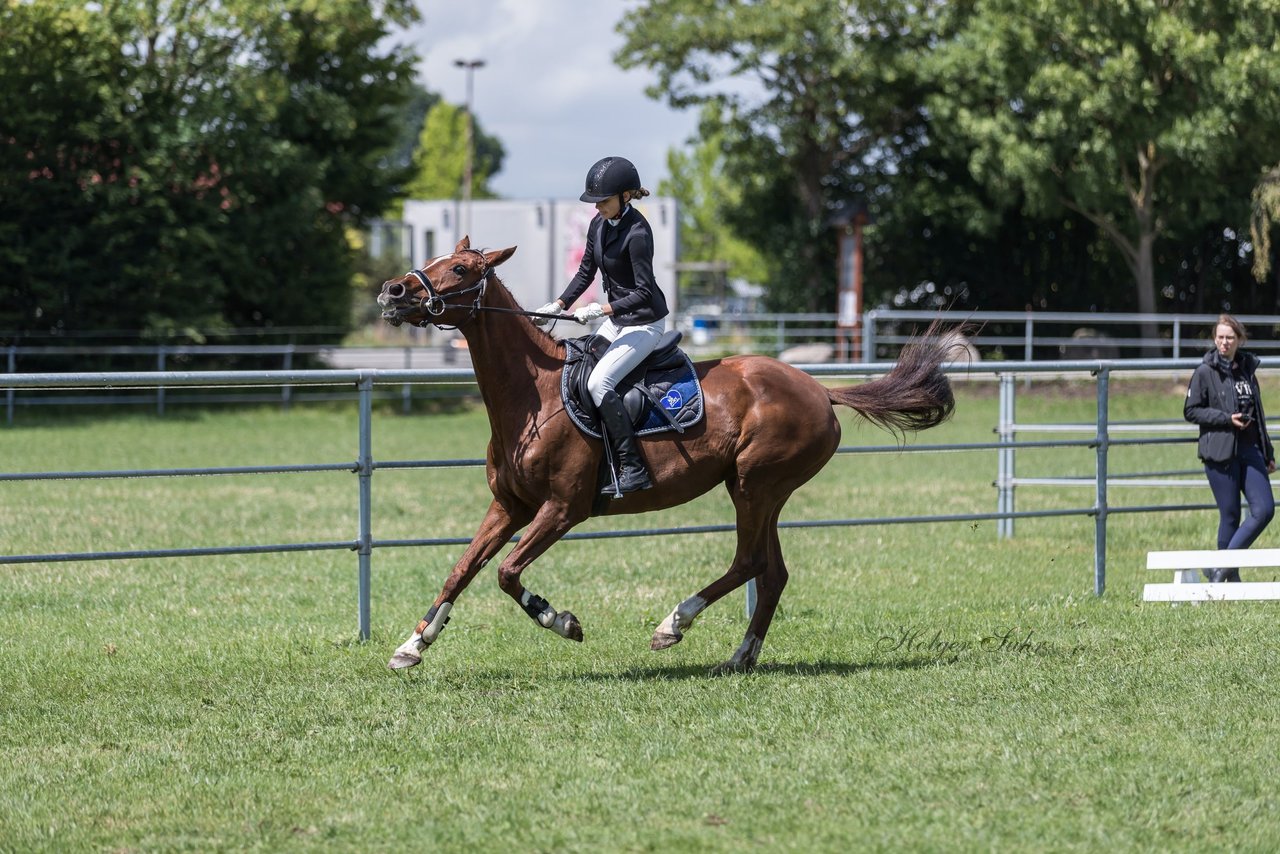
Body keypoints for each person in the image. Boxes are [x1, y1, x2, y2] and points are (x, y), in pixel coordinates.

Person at [534, 156, 670, 495]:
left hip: (644, 324)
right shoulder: (598, 225)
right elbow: (585, 273)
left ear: (626, 196)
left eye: (604, 201)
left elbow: (644, 292)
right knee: (578, 367)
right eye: (595, 203)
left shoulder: (638, 233)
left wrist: (600, 309)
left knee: (598, 383)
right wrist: (559, 304)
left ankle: (632, 467)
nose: (598, 208)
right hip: (616, 320)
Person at [1183, 314, 1276, 581]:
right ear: (1215, 339)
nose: (1224, 343)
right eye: (1220, 337)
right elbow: (1191, 411)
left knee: (1264, 510)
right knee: (1231, 515)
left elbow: (1258, 412)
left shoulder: (1247, 369)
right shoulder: (1204, 372)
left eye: (1230, 338)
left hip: (1250, 451)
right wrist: (1226, 419)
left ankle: (1218, 569)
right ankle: (1227, 578)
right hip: (1219, 451)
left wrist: (1267, 452)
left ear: (1240, 340)